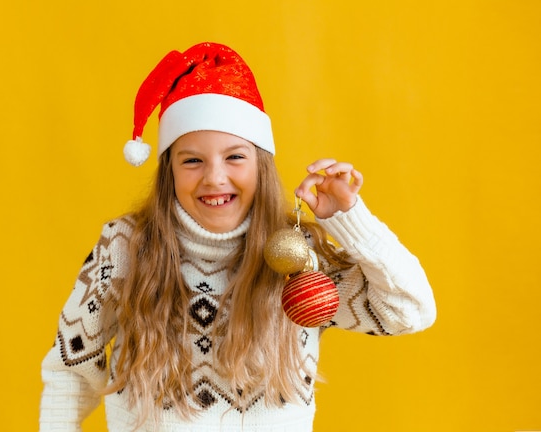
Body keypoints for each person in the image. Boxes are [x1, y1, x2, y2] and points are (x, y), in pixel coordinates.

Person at [39, 42, 436, 432]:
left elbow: (410, 311)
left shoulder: (298, 255)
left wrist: (350, 219)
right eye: (192, 160)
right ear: (169, 172)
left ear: (261, 165)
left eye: (235, 156)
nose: (214, 177)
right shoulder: (125, 247)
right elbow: (70, 370)